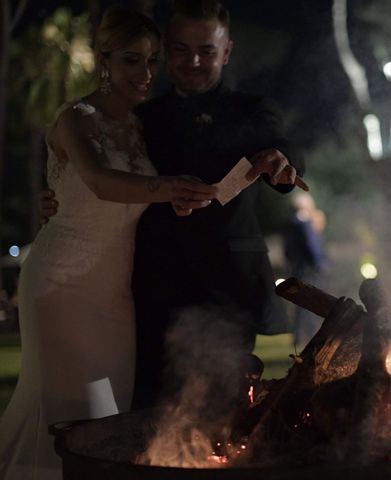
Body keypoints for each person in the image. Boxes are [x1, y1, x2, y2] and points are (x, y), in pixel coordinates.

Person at [41, 0, 306, 410]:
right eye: (181, 49)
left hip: (227, 291)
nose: (193, 61)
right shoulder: (142, 117)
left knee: (223, 416)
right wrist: (60, 199)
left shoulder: (251, 111)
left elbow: (280, 146)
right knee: (145, 415)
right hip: (150, 288)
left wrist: (282, 163)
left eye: (207, 51)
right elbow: (101, 171)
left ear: (227, 51)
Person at [0, 7, 219, 479]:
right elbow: (100, 182)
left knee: (110, 415)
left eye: (152, 60)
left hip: (114, 295)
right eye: (131, 60)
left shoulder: (138, 129)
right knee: (71, 415)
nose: (145, 74)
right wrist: (170, 187)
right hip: (61, 287)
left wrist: (174, 200)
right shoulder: (75, 118)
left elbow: (132, 198)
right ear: (104, 60)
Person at [283, 192, 329, 350]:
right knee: (310, 302)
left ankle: (299, 336)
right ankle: (309, 335)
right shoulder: (303, 222)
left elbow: (288, 249)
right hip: (308, 268)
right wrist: (320, 263)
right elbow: (312, 245)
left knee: (300, 305)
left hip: (297, 267)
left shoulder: (290, 222)